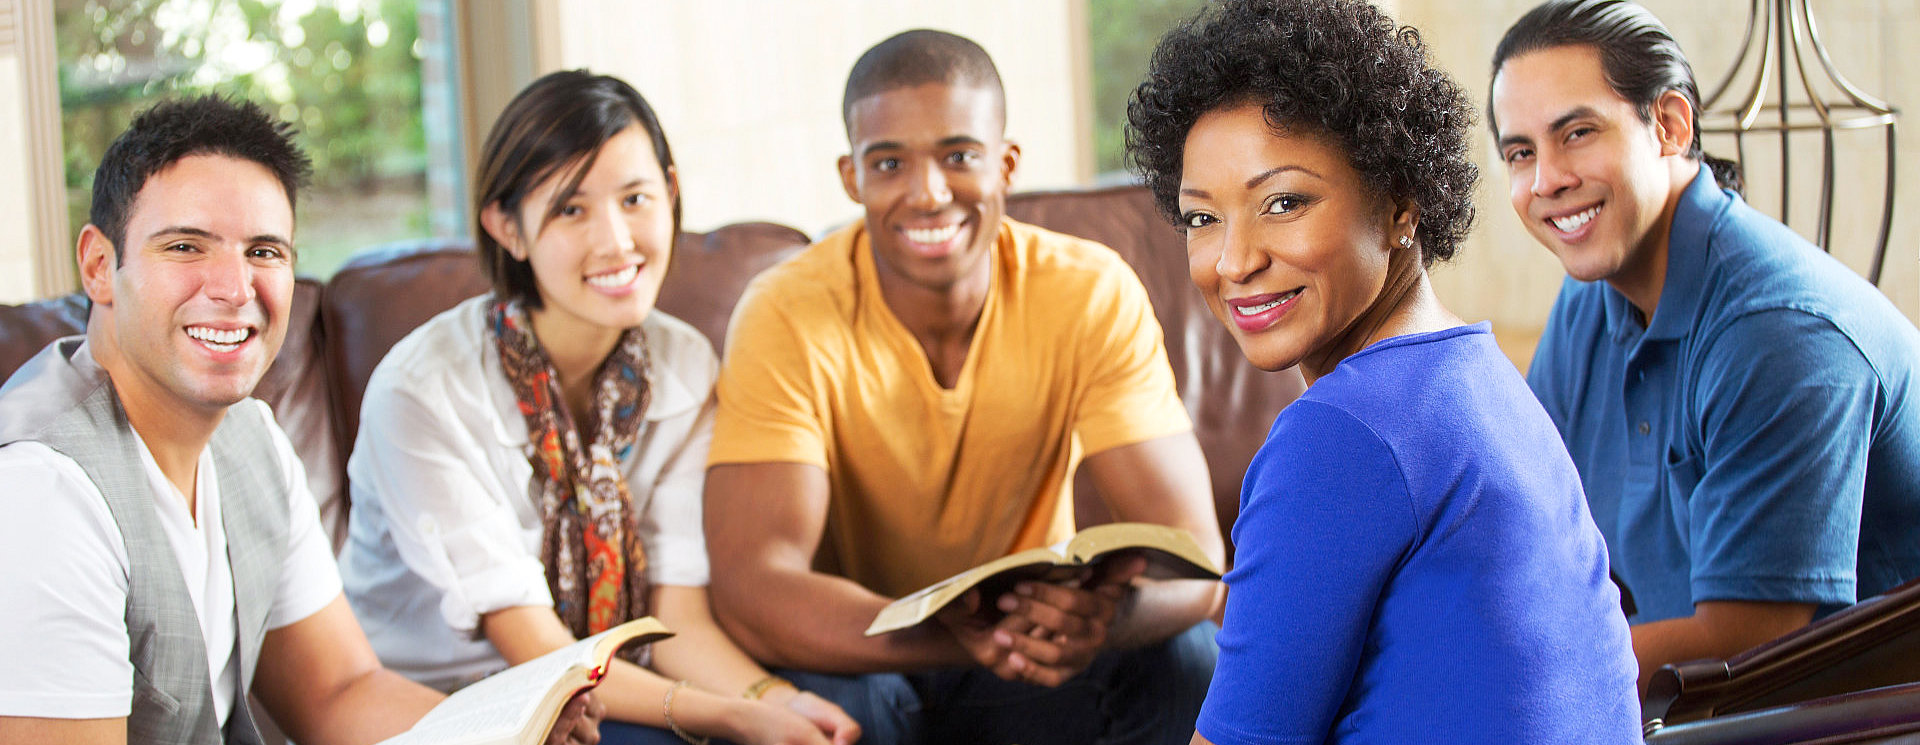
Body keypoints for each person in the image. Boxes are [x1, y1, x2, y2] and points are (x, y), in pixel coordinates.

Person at [0, 96, 600, 744]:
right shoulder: (41, 490)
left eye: (263, 251)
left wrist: (514, 728)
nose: (234, 288)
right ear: (98, 266)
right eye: (185, 245)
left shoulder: (251, 440)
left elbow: (338, 692)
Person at [1125, 0, 1644, 741]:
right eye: (1202, 217)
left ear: (1401, 204)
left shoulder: (1340, 433)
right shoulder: (1481, 378)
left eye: (1283, 202)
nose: (1234, 260)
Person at [703, 29, 1225, 745]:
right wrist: (966, 636)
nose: (928, 193)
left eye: (958, 155)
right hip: (859, 652)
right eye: (889, 162)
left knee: (1185, 660)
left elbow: (1196, 557)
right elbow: (752, 586)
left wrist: (1097, 620)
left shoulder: (1088, 291)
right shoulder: (786, 310)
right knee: (854, 709)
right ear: (852, 178)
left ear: (1005, 163)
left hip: (1029, 661)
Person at [337, 71, 859, 745]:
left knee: (865, 710)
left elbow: (678, 616)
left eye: (636, 198)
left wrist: (778, 700)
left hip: (600, 681)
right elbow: (533, 646)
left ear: (670, 193)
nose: (617, 241)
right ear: (507, 227)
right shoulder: (422, 391)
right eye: (571, 210)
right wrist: (735, 716)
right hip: (443, 706)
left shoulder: (683, 365)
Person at [1490, 0, 1920, 689]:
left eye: (1576, 133)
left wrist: (1506, 670)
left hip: (1849, 710)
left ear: (1668, 125)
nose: (1547, 180)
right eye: (1521, 152)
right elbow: (1540, 529)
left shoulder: (1780, 333)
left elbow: (1746, 640)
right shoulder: (1589, 298)